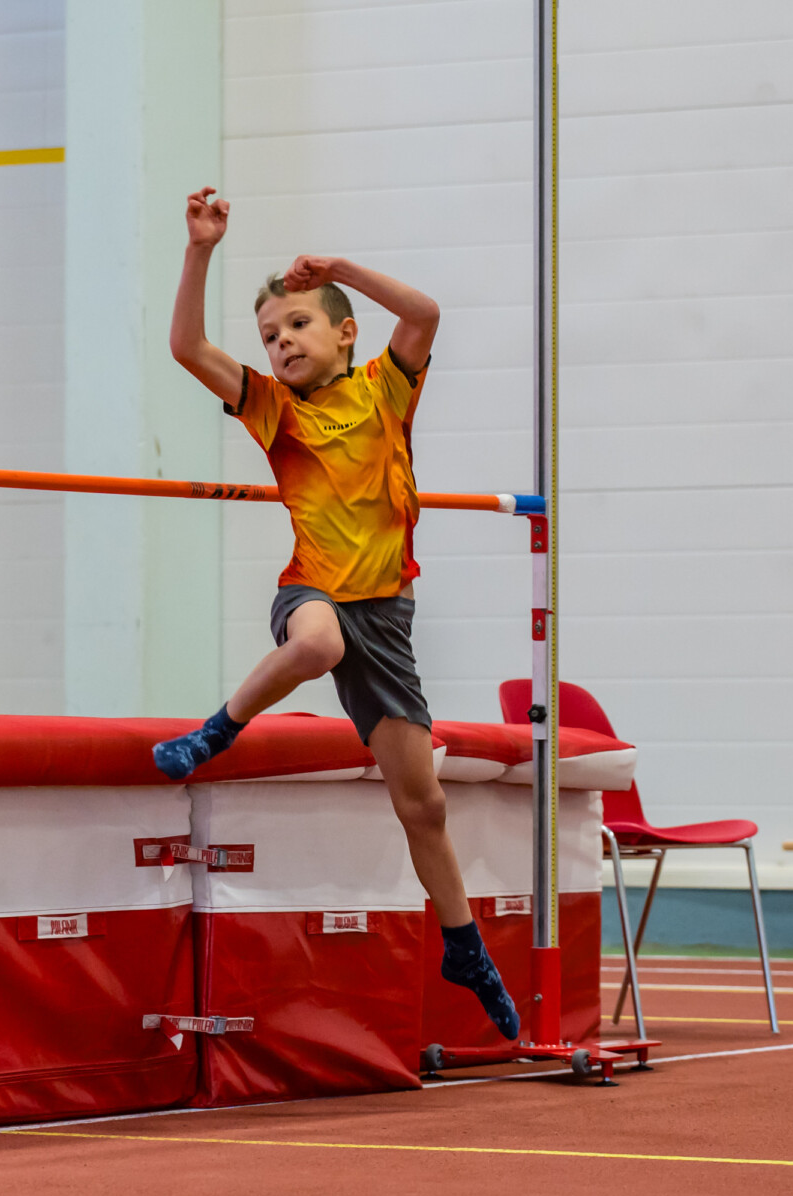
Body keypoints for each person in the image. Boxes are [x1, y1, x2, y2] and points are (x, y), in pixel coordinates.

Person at [150, 187, 521, 1039]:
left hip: (385, 619)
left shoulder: (388, 389)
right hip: (312, 594)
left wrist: (342, 268)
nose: (280, 342)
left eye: (297, 325)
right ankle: (216, 730)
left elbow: (424, 314)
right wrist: (200, 251)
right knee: (316, 644)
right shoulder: (273, 409)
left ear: (346, 333)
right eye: (269, 335)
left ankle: (463, 946)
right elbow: (186, 347)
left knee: (423, 804)